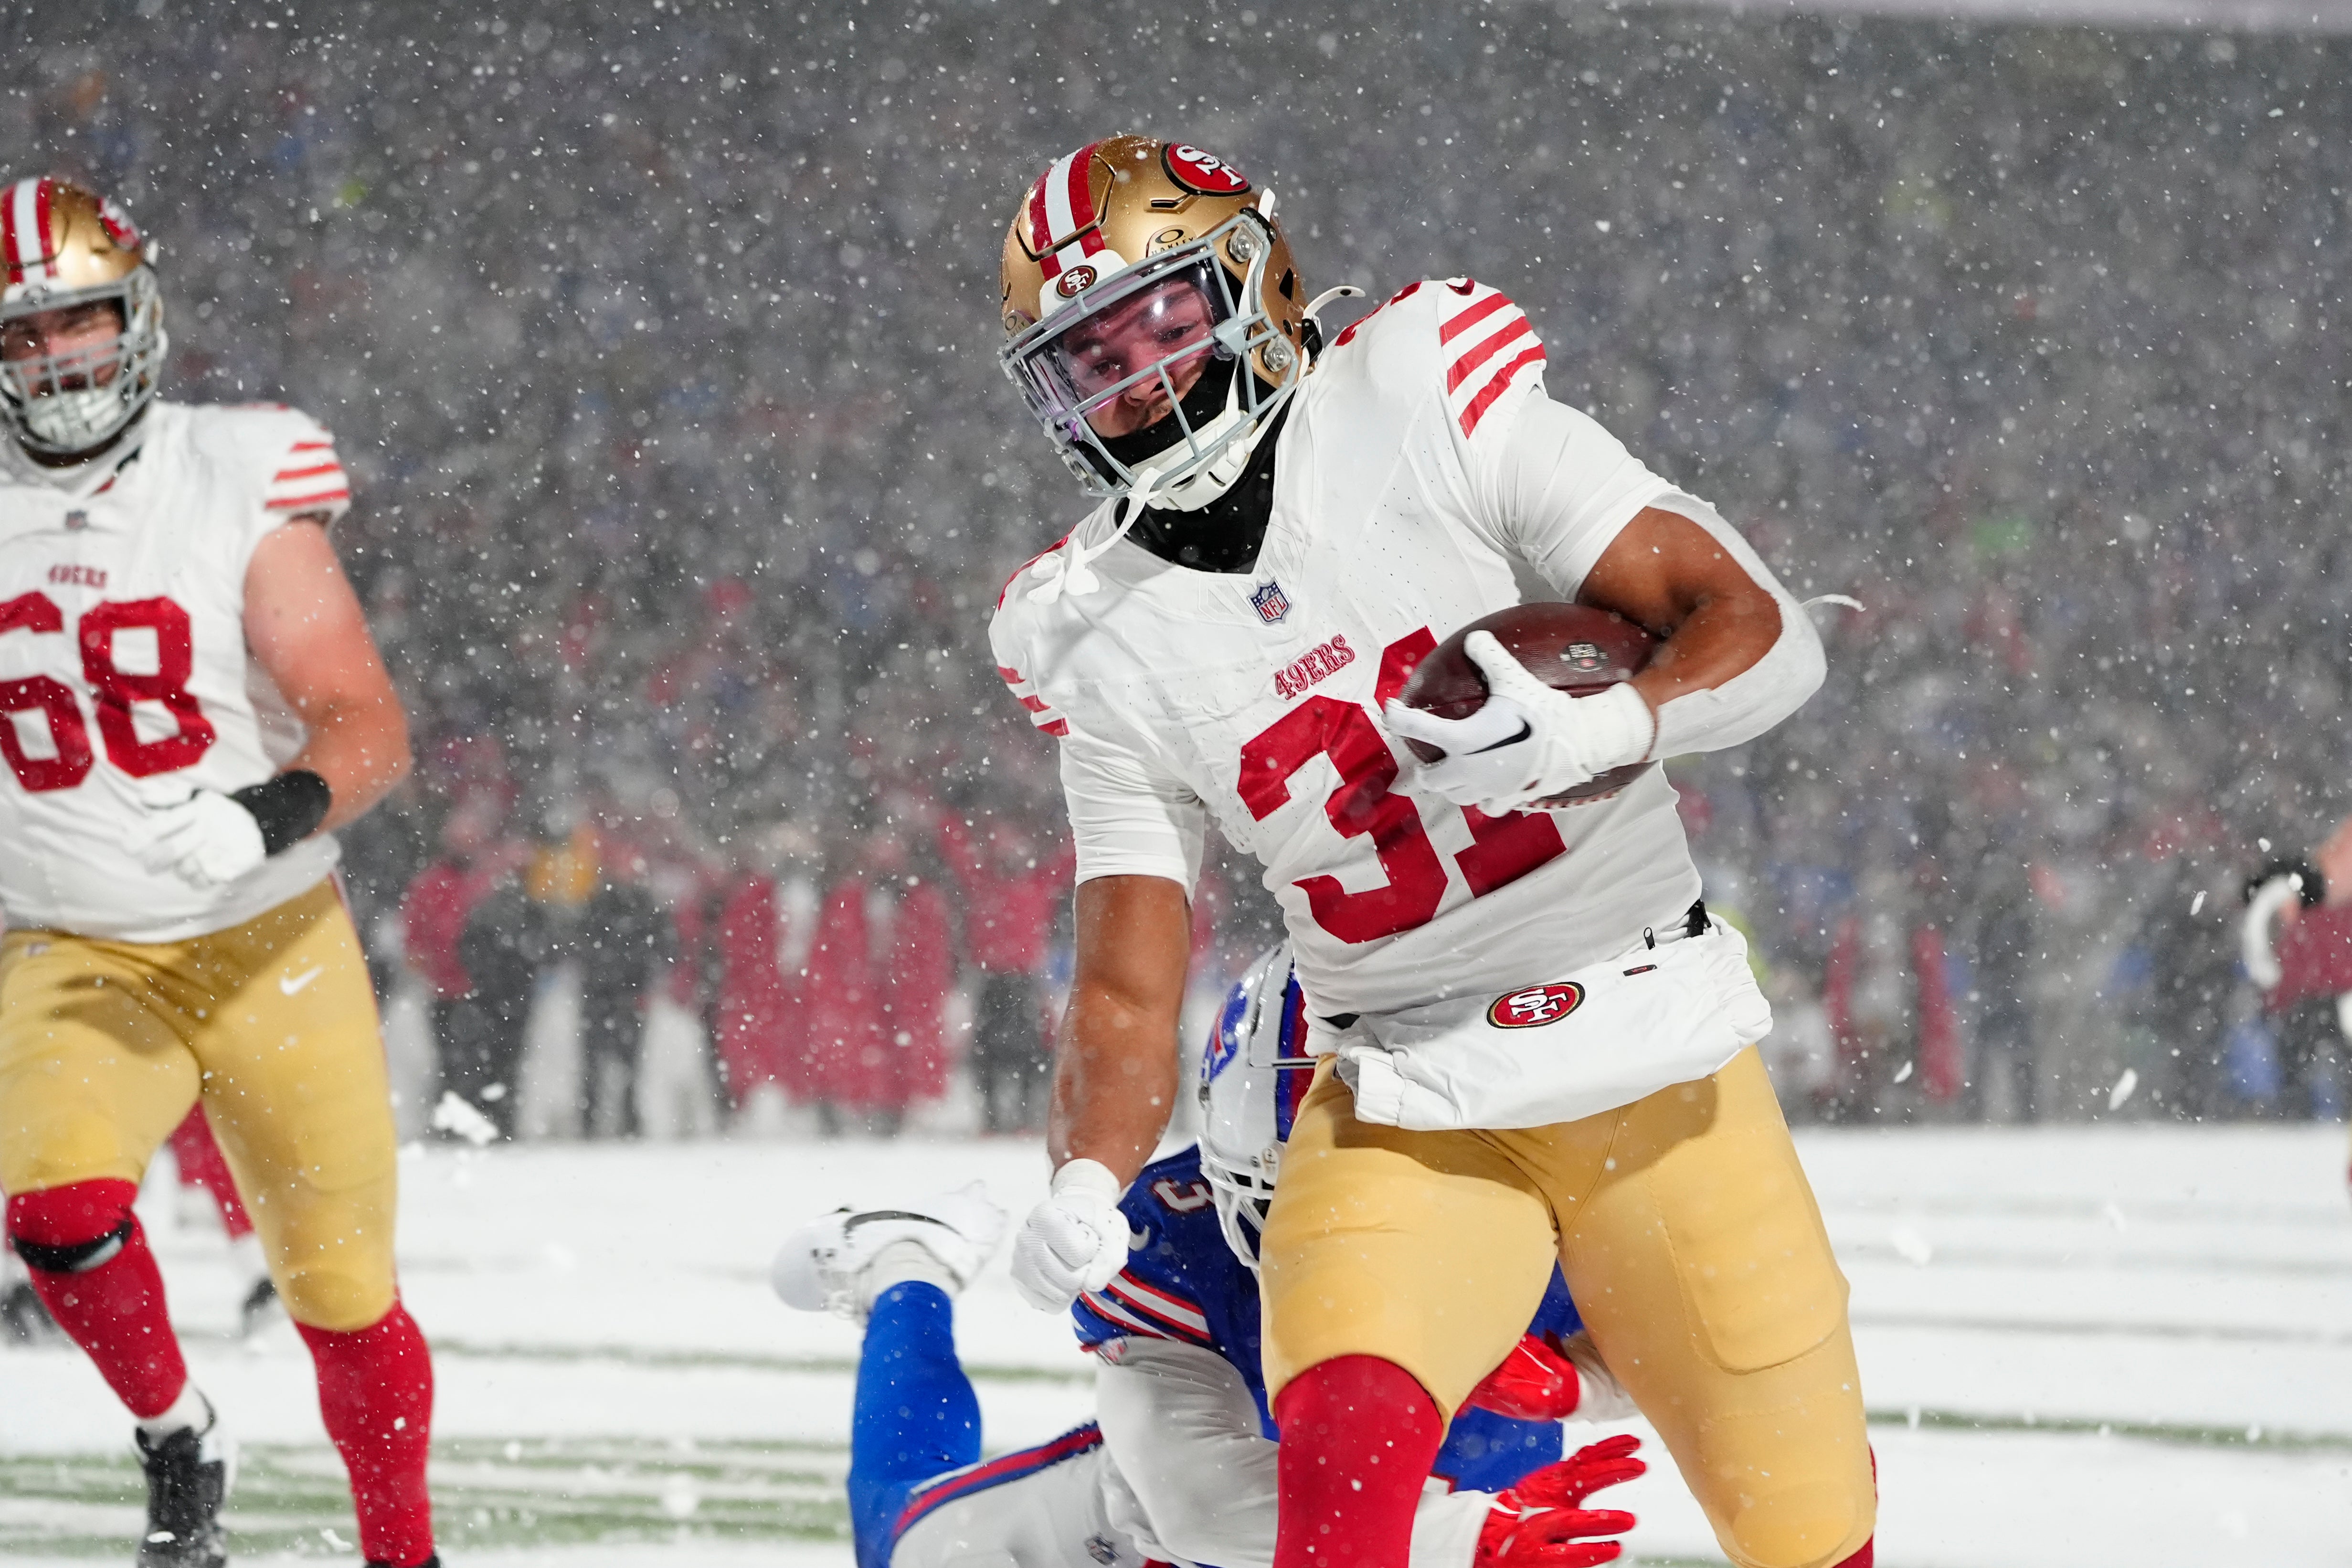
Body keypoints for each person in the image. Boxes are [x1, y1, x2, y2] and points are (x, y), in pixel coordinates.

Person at [986, 138, 1872, 1568]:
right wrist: (1087, 1173)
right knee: (1338, 1507)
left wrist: (1614, 724)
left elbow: (1763, 632)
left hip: (1659, 1050)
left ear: (1251, 282)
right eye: (1089, 358)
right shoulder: (1087, 626)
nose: (1133, 381)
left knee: (1810, 1534)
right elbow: (1126, 983)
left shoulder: (1419, 393)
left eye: (1156, 321)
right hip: (1405, 1088)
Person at [0, 178, 436, 1568]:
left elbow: (365, 722)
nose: (57, 357)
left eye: (79, 321)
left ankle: (403, 1553)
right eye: (26, 334)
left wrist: (268, 811)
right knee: (55, 1209)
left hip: (267, 934)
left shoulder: (234, 470)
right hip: (73, 943)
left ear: (136, 317)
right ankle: (177, 1429)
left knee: (341, 1294)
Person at [772, 1177, 1643, 1568]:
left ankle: (907, 1264)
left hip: (1455, 1504)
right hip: (1137, 1537)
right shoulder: (1177, 1239)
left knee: (896, 1518)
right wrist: (1466, 1539)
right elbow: (1201, 1509)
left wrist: (1587, 1381)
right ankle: (907, 1265)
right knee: (903, 1531)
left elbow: (1710, 1343)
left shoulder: (1546, 1198)